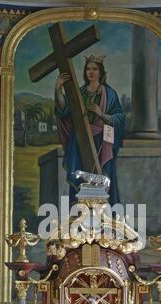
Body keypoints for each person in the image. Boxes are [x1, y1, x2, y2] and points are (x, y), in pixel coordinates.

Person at [55, 55, 125, 206]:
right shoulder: (80, 93)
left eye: (94, 69)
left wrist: (101, 114)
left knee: (104, 177)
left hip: (102, 141)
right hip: (80, 141)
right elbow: (64, 112)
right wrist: (58, 89)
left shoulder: (109, 94)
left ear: (101, 72)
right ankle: (79, 218)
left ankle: (106, 218)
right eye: (88, 69)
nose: (91, 72)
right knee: (80, 179)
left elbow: (120, 118)